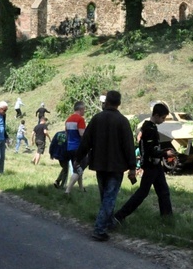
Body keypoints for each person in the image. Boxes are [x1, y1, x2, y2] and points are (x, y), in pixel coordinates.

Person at [76, 90, 137, 242]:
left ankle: (108, 222)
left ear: (107, 102)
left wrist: (78, 158)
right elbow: (129, 146)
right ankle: (99, 229)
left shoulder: (97, 119)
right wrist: (132, 167)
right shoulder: (123, 121)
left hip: (99, 164)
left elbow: (86, 142)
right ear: (119, 104)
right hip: (116, 166)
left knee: (105, 196)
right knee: (109, 198)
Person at [114, 103, 173, 224]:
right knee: (142, 193)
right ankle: (119, 216)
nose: (163, 120)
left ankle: (167, 217)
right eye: (163, 118)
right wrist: (165, 154)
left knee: (163, 191)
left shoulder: (149, 127)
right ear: (156, 115)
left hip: (156, 166)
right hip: (151, 166)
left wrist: (162, 153)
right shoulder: (149, 129)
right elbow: (150, 150)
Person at [64, 101, 87, 193]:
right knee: (79, 168)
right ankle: (68, 190)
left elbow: (66, 134)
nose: (84, 111)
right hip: (78, 148)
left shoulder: (68, 120)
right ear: (81, 109)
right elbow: (82, 134)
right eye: (84, 109)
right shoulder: (80, 119)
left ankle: (81, 189)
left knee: (77, 168)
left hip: (69, 147)